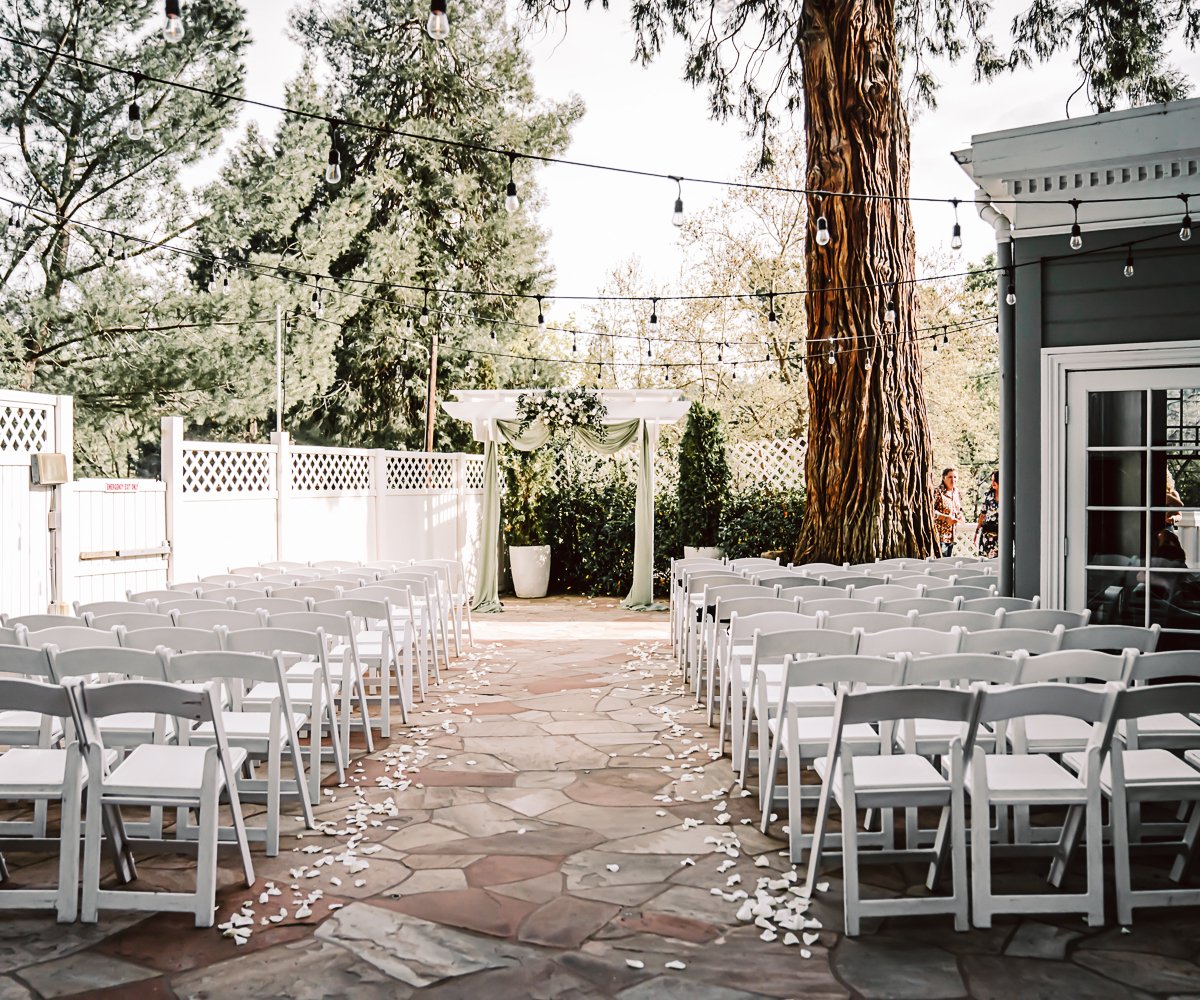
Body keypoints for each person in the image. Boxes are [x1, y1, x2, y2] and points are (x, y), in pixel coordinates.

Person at [932, 467, 964, 558]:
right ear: (943, 478)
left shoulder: (956, 492)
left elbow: (959, 509)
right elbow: (930, 512)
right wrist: (945, 517)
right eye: (950, 477)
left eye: (955, 477)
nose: (953, 480)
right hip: (939, 536)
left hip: (952, 536)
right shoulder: (938, 492)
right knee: (940, 564)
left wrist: (960, 515)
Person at [975, 470, 1000, 558]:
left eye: (995, 480)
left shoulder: (1009, 497)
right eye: (992, 480)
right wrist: (978, 528)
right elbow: (983, 513)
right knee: (985, 559)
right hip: (987, 532)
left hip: (1001, 534)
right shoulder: (989, 495)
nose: (992, 483)